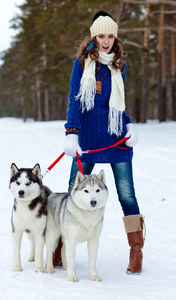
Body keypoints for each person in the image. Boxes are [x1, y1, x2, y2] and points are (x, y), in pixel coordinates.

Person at [54, 11, 145, 275]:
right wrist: (72, 131)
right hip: (88, 139)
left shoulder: (120, 67)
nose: (106, 41)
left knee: (127, 195)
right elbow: (74, 98)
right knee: (74, 190)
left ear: (116, 37)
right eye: (101, 35)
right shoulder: (82, 64)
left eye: (111, 35)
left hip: (116, 139)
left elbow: (117, 105)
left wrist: (128, 125)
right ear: (94, 36)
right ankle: (61, 244)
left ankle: (136, 252)